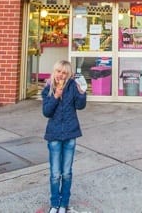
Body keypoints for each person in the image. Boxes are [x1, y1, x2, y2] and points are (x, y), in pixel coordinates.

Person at [42, 60, 87, 213]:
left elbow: (80, 106)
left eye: (65, 73)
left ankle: (64, 204)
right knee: (55, 173)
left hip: (70, 133)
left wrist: (82, 94)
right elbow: (47, 112)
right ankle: (54, 203)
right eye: (59, 72)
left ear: (68, 75)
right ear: (54, 72)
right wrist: (55, 96)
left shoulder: (72, 87)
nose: (61, 75)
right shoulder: (48, 88)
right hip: (54, 135)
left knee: (66, 172)